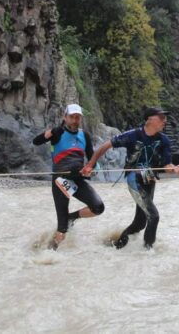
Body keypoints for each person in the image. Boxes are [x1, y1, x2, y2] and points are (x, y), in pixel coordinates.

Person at [82, 107, 179, 250]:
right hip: (134, 179)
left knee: (140, 223)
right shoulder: (133, 135)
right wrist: (90, 164)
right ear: (149, 120)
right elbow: (106, 145)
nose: (165, 121)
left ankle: (116, 246)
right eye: (161, 117)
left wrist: (175, 169)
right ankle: (148, 252)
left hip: (150, 179)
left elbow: (167, 165)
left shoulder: (164, 140)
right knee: (154, 216)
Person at [33, 103, 105, 250]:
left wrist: (93, 169)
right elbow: (36, 141)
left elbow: (92, 159)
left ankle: (72, 217)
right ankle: (46, 256)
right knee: (62, 229)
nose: (74, 120)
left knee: (98, 207)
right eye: (72, 117)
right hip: (61, 180)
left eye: (77, 117)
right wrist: (52, 132)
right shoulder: (57, 133)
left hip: (77, 179)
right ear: (65, 117)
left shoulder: (84, 135)